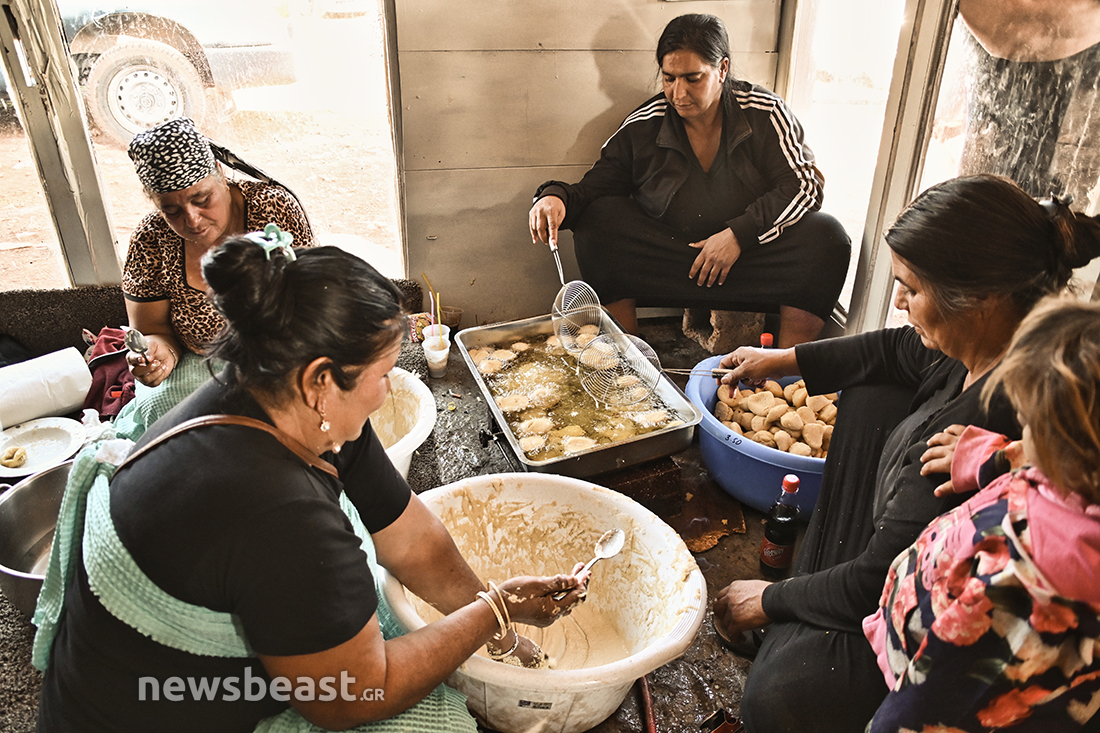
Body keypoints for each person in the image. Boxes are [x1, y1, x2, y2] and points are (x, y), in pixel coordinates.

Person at [34, 234, 587, 731]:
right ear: (322, 380)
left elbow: (414, 540)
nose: (388, 389)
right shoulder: (276, 513)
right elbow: (352, 695)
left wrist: (504, 632)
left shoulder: (275, 394)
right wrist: (493, 612)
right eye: (381, 373)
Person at [710, 174, 1100, 732]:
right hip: (901, 555)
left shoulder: (994, 422)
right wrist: (782, 360)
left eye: (911, 289)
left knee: (775, 699)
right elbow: (892, 349)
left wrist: (770, 599)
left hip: (911, 606)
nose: (898, 301)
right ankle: (810, 596)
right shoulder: (980, 346)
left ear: (982, 299)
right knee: (873, 385)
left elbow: (883, 587)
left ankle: (802, 624)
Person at [527, 13, 850, 347]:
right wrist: (554, 198)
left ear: (722, 69)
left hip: (749, 258)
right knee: (598, 220)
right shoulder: (644, 124)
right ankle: (628, 357)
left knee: (827, 236)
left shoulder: (765, 112)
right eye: (668, 79)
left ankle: (788, 365)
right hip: (677, 259)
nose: (678, 93)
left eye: (692, 78)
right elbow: (594, 189)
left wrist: (739, 235)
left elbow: (805, 186)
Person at [864, 296, 1100, 731]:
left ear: (1066, 446)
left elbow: (939, 701)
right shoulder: (1077, 476)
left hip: (934, 675)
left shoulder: (1026, 585)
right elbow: (1029, 458)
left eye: (1028, 424)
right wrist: (986, 458)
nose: (1021, 437)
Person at [122, 117, 315, 388]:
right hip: (196, 362)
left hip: (282, 355)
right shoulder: (151, 240)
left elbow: (311, 298)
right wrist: (158, 353)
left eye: (202, 200)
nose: (192, 220)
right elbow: (153, 329)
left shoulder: (273, 209)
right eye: (172, 211)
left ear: (221, 174)